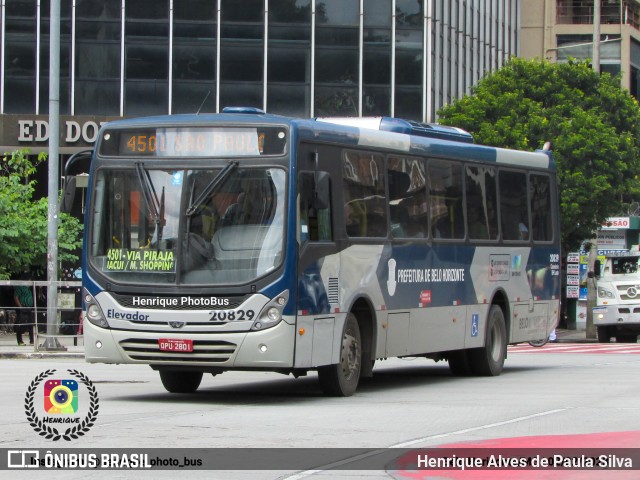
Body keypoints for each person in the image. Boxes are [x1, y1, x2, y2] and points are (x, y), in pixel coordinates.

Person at [14, 274, 35, 346]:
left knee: (31, 324)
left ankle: (32, 340)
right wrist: (20, 306)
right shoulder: (20, 288)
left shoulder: (28, 289)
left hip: (29, 308)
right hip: (23, 308)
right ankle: (20, 340)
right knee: (22, 324)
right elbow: (16, 297)